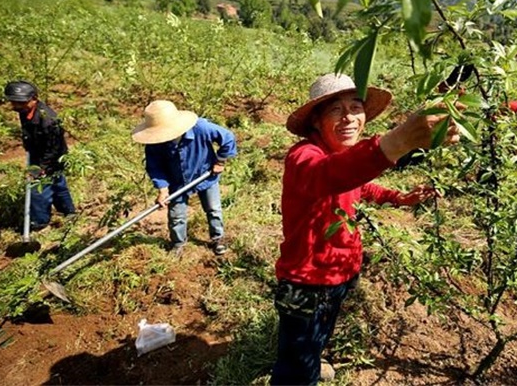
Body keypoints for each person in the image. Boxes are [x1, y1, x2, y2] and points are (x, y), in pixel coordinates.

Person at [271, 73, 460, 385]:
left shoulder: (344, 157)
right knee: (294, 368)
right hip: (304, 281)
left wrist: (399, 198)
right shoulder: (304, 156)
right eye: (335, 110)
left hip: (341, 273)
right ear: (316, 122)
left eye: (355, 107)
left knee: (319, 334)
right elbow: (328, 176)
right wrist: (396, 141)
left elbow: (360, 187)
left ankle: (314, 360)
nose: (348, 117)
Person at [132, 100, 237, 256]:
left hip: (205, 175)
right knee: (176, 216)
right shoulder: (154, 143)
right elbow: (155, 167)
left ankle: (217, 238)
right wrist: (162, 188)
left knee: (213, 209)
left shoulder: (201, 128)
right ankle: (178, 243)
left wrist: (220, 161)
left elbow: (227, 138)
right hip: (176, 181)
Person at [4, 80, 76, 231]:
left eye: (21, 103)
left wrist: (41, 168)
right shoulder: (26, 111)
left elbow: (54, 148)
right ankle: (69, 212)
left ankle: (39, 223)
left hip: (51, 157)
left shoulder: (48, 120)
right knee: (57, 183)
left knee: (38, 189)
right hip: (39, 152)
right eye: (14, 102)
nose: (16, 106)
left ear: (34, 99)